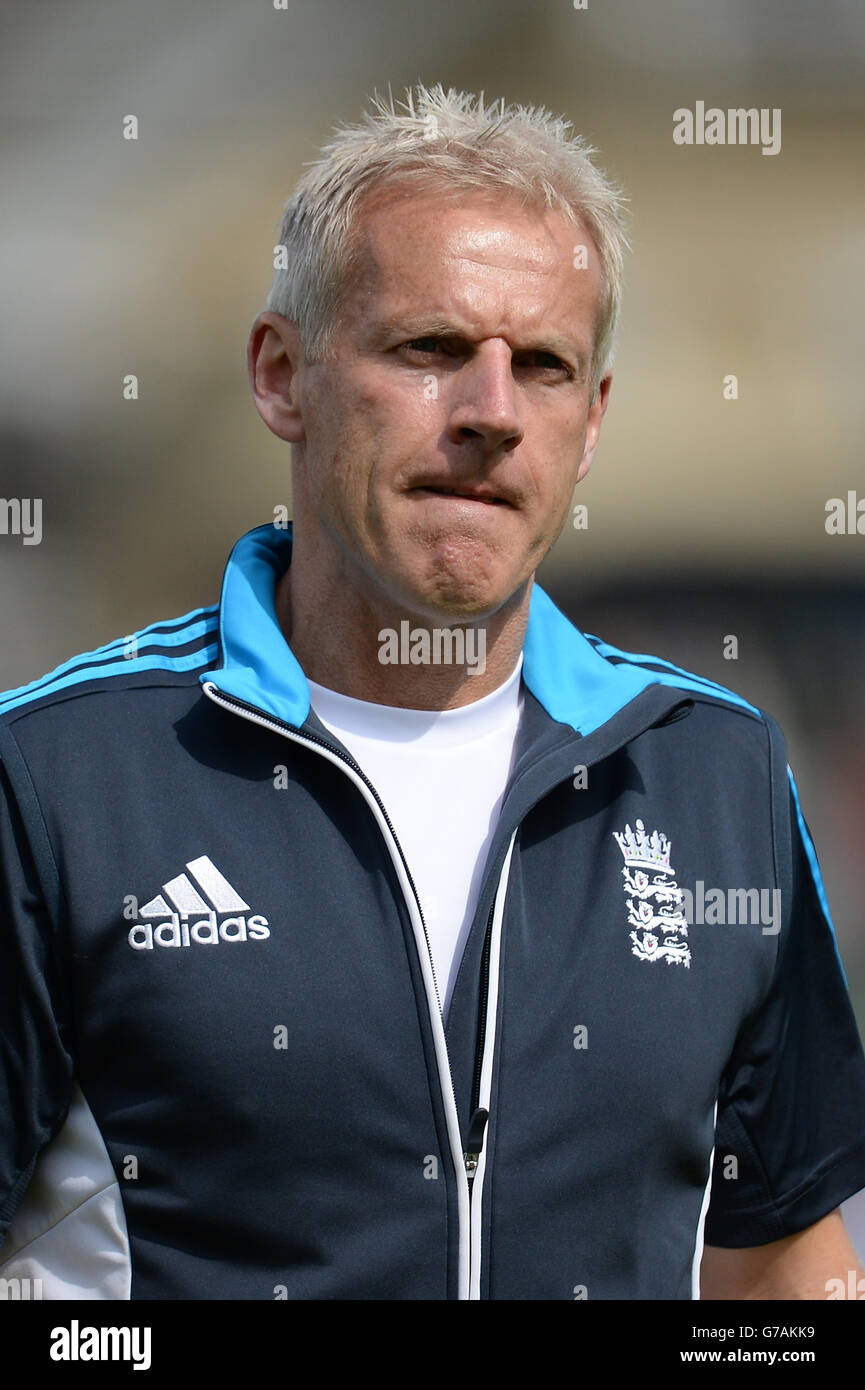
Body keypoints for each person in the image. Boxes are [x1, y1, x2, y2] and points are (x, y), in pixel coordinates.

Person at [1, 83, 864, 1302]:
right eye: (432, 350)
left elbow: (783, 1261)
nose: (493, 415)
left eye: (547, 367)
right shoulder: (54, 780)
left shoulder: (713, 772)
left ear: (593, 421)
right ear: (281, 375)